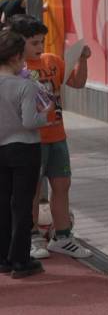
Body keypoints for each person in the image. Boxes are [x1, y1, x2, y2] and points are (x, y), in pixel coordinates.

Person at [8, 16, 91, 259]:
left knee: (62, 185)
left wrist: (83, 60)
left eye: (41, 42)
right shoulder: (15, 70)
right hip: (31, 139)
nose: (40, 47)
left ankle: (63, 237)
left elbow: (77, 82)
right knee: (31, 190)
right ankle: (31, 236)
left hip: (57, 136)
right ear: (18, 42)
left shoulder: (52, 61)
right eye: (34, 43)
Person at [0, 29, 49, 277]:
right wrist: (46, 115)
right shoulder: (25, 86)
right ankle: (20, 259)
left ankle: (3, 258)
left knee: (2, 203)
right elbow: (30, 121)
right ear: (16, 57)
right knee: (22, 205)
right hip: (24, 149)